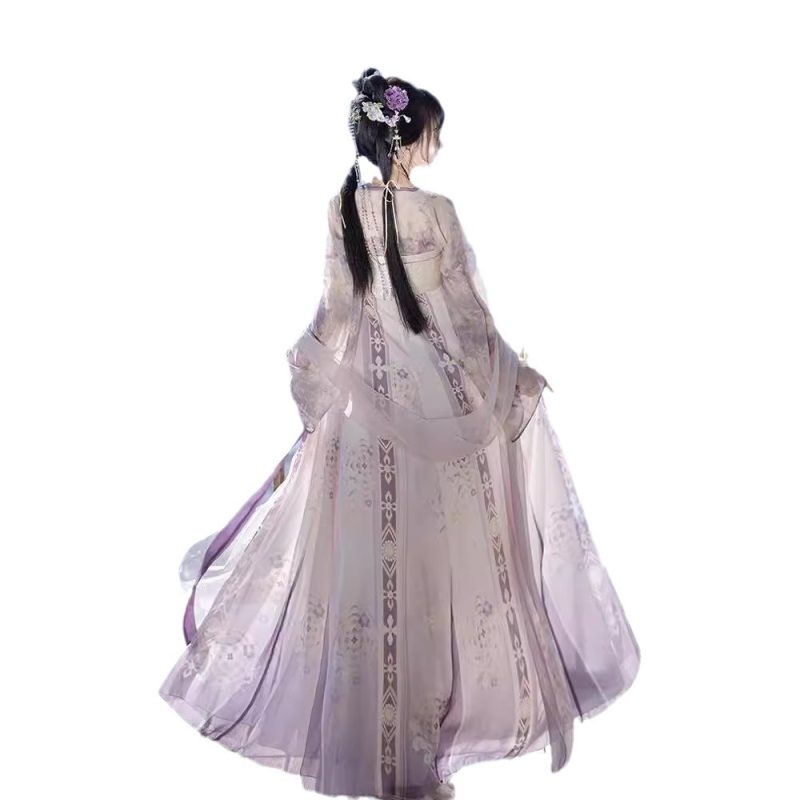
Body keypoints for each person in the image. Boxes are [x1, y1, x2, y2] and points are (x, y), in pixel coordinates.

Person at [159, 67, 641, 800]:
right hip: (440, 423)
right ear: (409, 137)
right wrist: (514, 379)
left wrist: (314, 395)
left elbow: (334, 316)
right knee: (433, 582)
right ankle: (417, 753)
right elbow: (469, 319)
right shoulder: (436, 213)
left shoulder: (340, 211)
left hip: (363, 431)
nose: (437, 146)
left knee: (368, 583)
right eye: (433, 133)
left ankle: (383, 752)